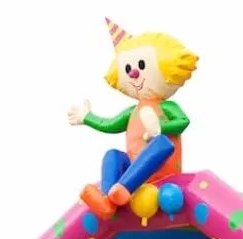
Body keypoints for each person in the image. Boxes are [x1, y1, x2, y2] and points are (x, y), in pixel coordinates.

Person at [68, 18, 198, 220]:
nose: (135, 73)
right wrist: (87, 117)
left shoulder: (166, 107)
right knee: (112, 155)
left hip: (162, 171)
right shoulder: (133, 111)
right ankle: (107, 200)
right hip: (134, 170)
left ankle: (123, 188)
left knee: (162, 144)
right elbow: (110, 124)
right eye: (128, 69)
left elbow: (183, 122)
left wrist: (160, 129)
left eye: (141, 66)